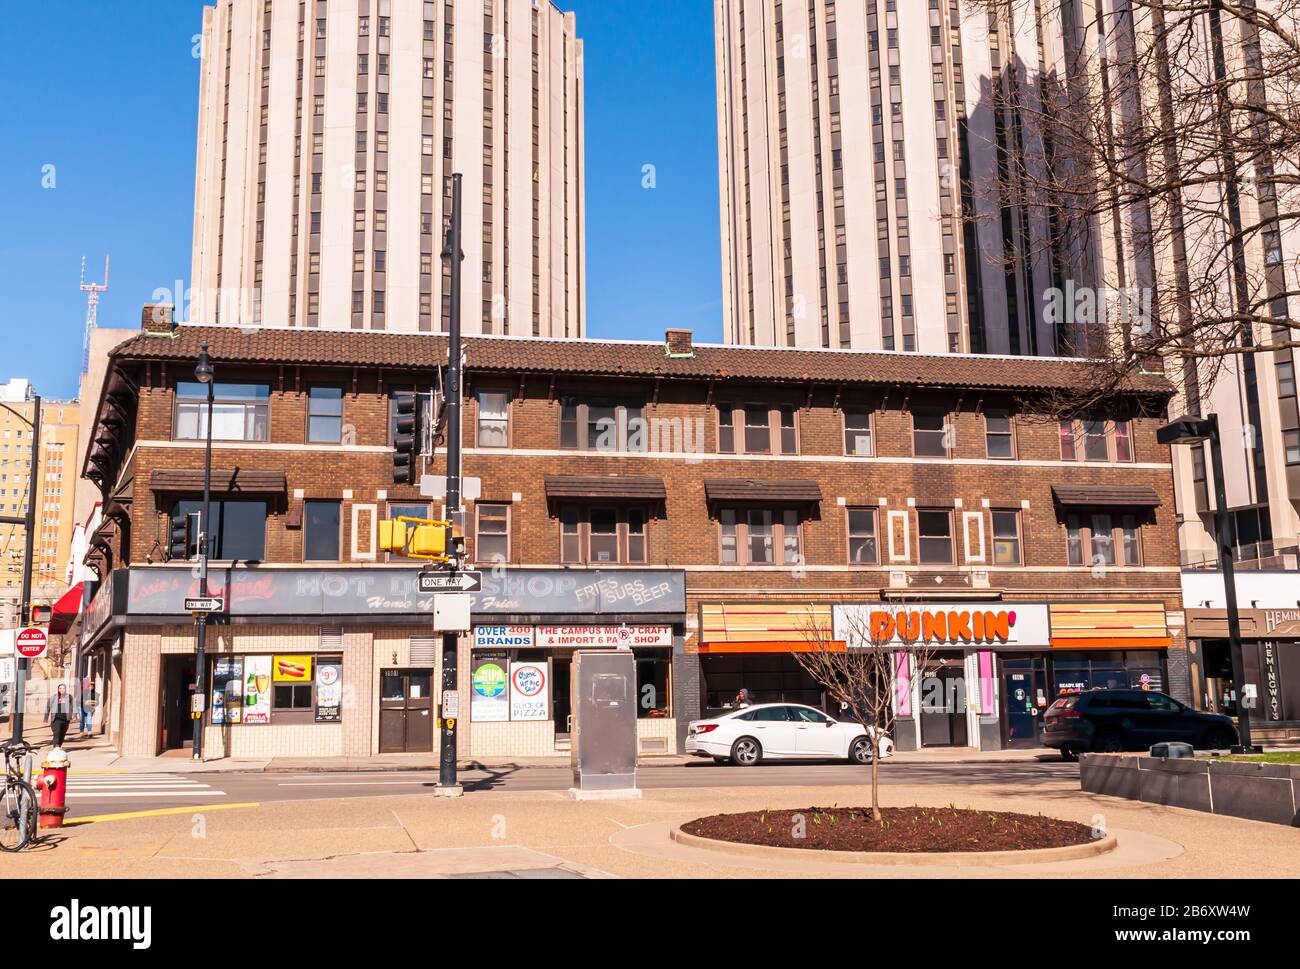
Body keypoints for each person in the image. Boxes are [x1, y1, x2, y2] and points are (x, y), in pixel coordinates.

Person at [44, 683, 76, 749]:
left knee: (62, 734)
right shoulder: (53, 697)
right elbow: (48, 707)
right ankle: (56, 747)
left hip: (66, 719)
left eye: (63, 688)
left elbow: (74, 706)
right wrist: (46, 718)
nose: (62, 690)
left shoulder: (69, 697)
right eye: (60, 688)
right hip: (56, 719)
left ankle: (59, 746)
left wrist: (74, 715)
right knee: (57, 732)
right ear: (58, 689)